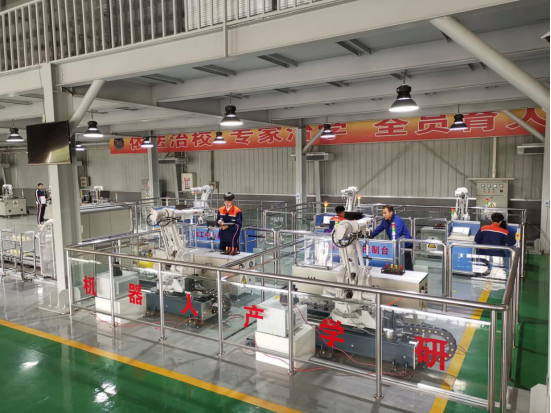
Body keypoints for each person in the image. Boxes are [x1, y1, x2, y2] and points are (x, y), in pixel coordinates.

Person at [369, 205, 414, 271]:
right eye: (382, 213)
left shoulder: (397, 221)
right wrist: (370, 236)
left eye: (385, 213)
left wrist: (391, 245)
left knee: (406, 264)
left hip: (405, 245)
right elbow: (379, 228)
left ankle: (410, 275)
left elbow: (395, 236)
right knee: (397, 261)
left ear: (391, 212)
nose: (383, 215)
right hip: (396, 244)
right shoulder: (385, 220)